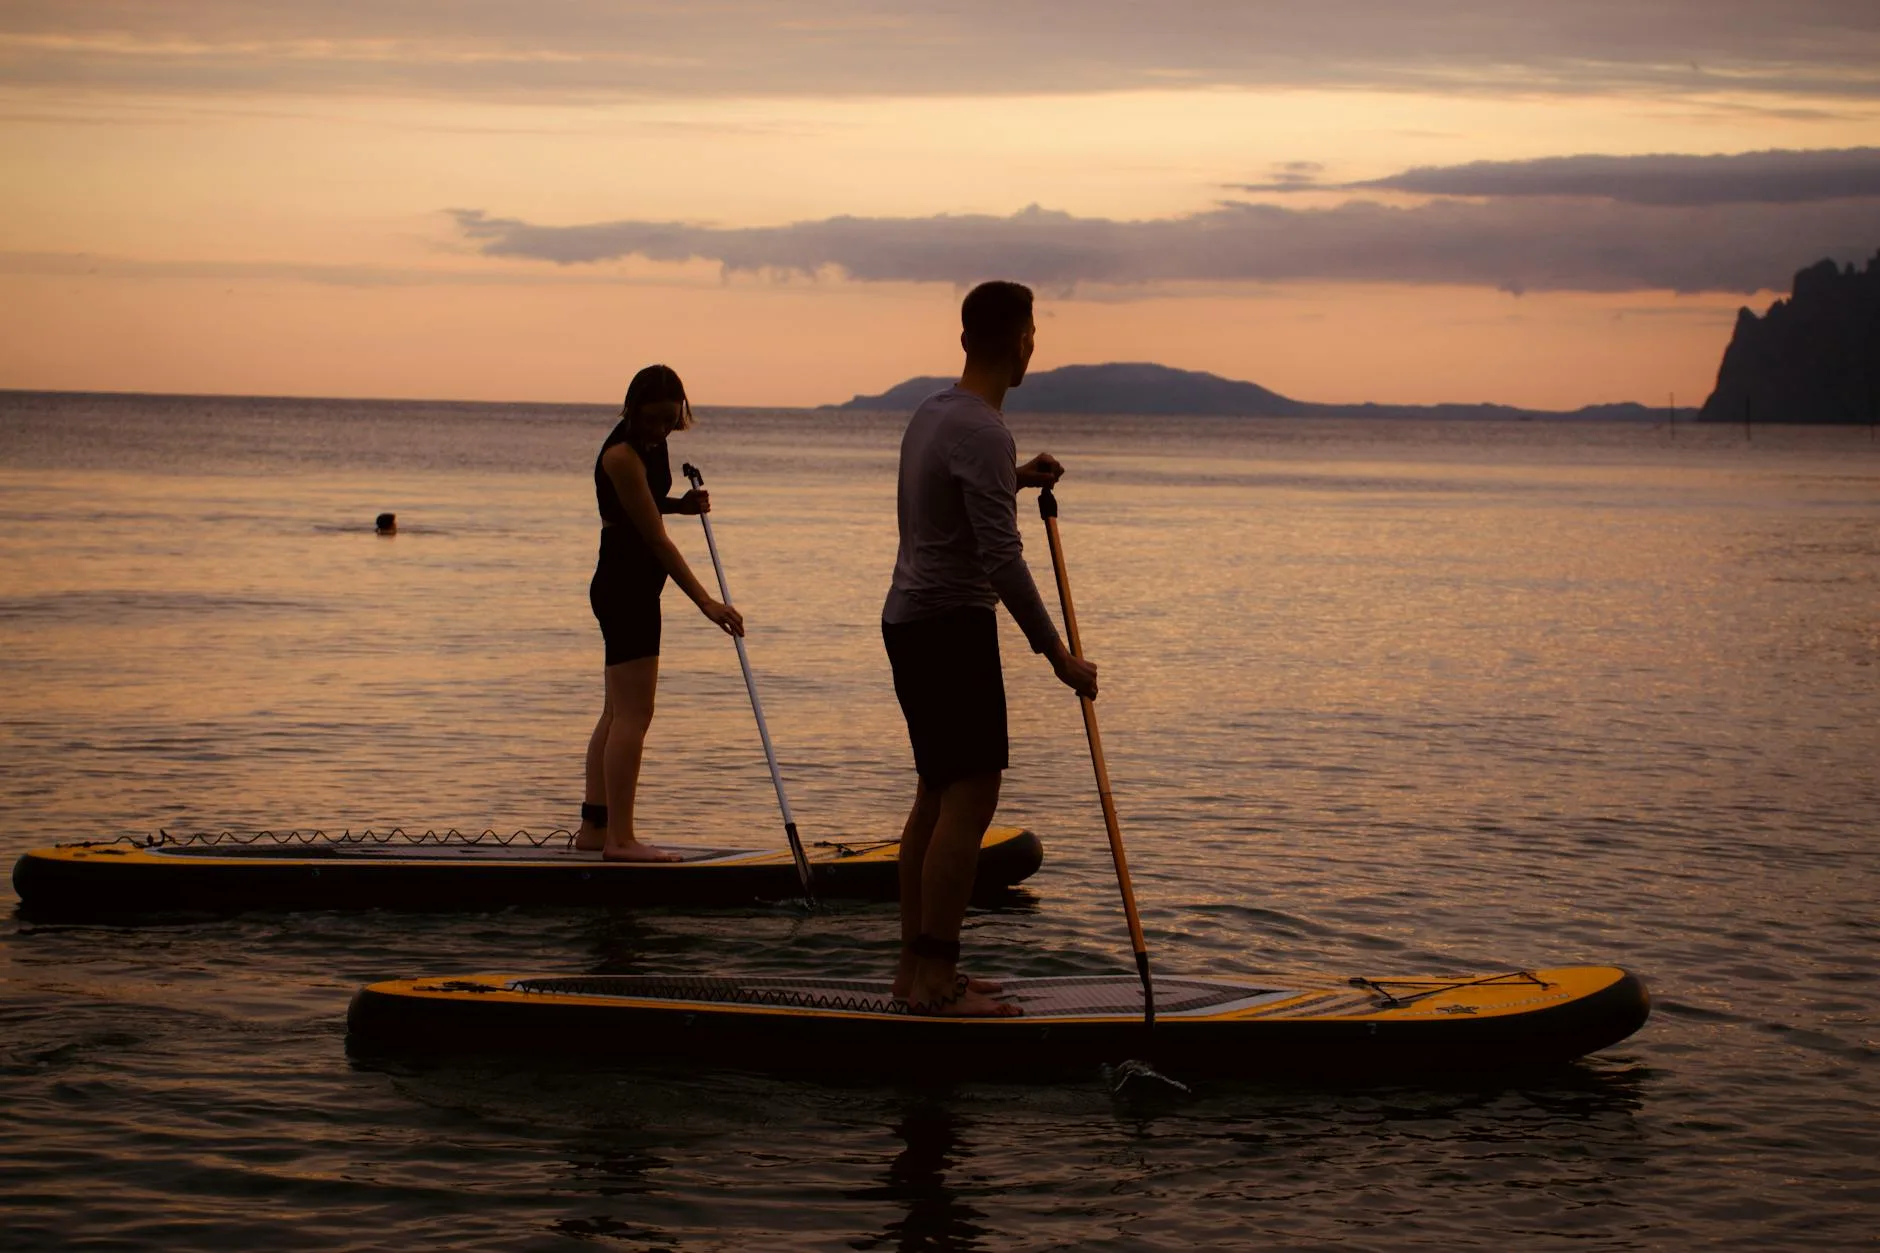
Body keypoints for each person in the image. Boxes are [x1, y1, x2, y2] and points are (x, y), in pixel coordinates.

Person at [882, 280, 1100, 1016]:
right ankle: (937, 981)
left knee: (934, 800)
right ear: (1019, 340)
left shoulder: (936, 414)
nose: (1036, 342)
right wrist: (1060, 656)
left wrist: (1014, 477)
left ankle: (916, 972)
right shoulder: (981, 429)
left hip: (910, 620)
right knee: (969, 803)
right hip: (950, 625)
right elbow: (1002, 561)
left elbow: (958, 491)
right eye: (1034, 330)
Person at [575, 365, 744, 862]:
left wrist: (679, 504)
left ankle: (594, 829)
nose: (658, 430)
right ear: (631, 408)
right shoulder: (621, 455)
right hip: (625, 589)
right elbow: (652, 538)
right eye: (650, 419)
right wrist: (707, 602)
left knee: (615, 713)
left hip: (629, 586)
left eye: (668, 421)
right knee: (634, 715)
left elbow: (641, 507)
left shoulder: (652, 446)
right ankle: (621, 841)